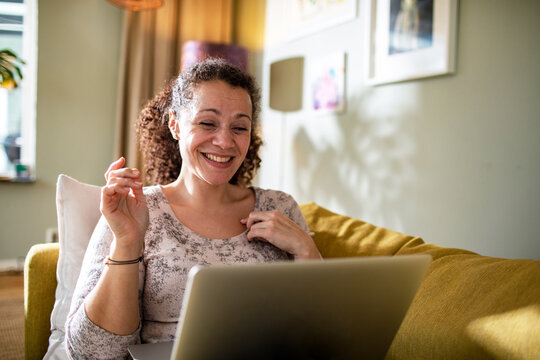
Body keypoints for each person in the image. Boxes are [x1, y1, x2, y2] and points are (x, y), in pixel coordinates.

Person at [65, 58, 321, 359]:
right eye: (207, 123)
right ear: (175, 124)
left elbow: (326, 332)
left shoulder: (281, 207)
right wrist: (127, 242)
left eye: (239, 127)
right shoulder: (133, 209)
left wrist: (307, 251)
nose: (225, 141)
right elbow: (92, 352)